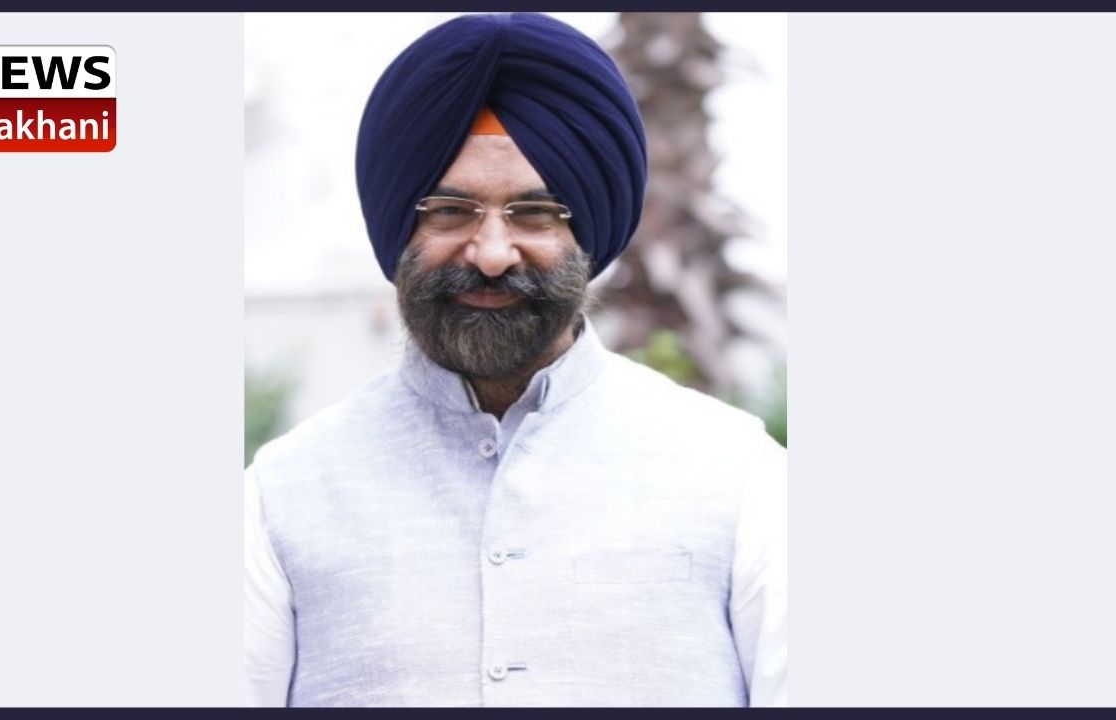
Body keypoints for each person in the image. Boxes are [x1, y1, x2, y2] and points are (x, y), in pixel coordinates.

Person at [244, 12, 786, 707]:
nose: (493, 254)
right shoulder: (284, 495)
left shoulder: (738, 477)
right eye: (450, 210)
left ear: (586, 232)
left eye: (536, 213)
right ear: (399, 229)